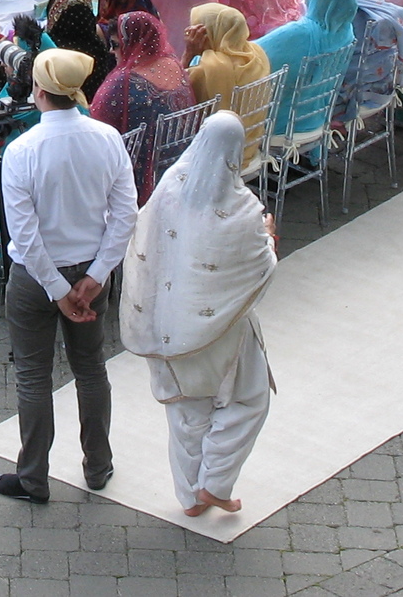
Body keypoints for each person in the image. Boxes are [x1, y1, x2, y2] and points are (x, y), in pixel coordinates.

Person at [0, 45, 135, 503]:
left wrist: (58, 290)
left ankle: (33, 479)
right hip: (89, 272)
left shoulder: (21, 150)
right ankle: (98, 466)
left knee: (33, 377)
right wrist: (95, 276)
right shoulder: (107, 138)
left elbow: (25, 235)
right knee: (91, 371)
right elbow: (125, 213)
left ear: (40, 90)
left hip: (36, 281)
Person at [118, 110, 277, 518]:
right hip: (220, 327)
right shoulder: (242, 208)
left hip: (166, 323)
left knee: (186, 410)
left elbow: (144, 237)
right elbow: (260, 266)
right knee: (248, 399)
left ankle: (191, 497)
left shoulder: (170, 185)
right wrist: (270, 239)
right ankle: (216, 484)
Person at [93, 12, 195, 203]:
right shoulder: (173, 64)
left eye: (115, 45)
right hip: (181, 164)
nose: (110, 51)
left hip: (140, 175)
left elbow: (96, 126)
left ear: (132, 44)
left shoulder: (122, 83)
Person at [254, 0, 357, 135]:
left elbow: (251, 57)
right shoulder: (346, 30)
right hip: (315, 117)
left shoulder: (300, 33)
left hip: (278, 122)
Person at [184, 3, 267, 104]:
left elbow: (172, 92)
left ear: (207, 35)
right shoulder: (256, 54)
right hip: (253, 119)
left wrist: (188, 53)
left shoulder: (203, 72)